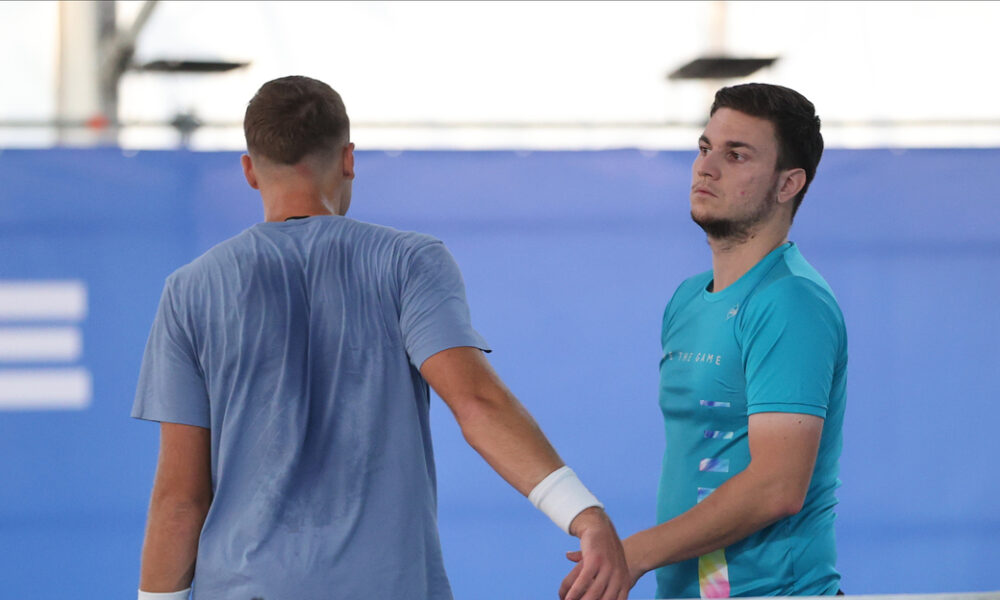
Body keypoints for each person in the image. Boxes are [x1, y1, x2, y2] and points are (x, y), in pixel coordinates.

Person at [132, 75, 629, 600]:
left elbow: (180, 499)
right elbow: (478, 402)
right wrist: (582, 514)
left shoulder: (189, 291)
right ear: (348, 159)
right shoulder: (409, 262)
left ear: (250, 171)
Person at [562, 83, 846, 598]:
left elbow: (778, 486)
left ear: (788, 184)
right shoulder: (688, 299)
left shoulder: (791, 301)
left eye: (736, 155)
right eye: (704, 148)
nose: (706, 167)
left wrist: (634, 553)